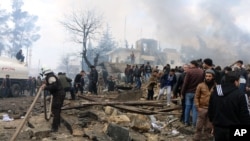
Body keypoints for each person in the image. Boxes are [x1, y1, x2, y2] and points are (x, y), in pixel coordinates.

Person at [208, 71, 250, 141]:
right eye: (239, 81)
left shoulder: (216, 91)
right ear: (236, 81)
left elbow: (211, 110)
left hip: (218, 127)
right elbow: (244, 114)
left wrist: (213, 123)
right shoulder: (240, 94)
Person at [40, 67, 66, 132]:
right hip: (59, 94)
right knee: (57, 110)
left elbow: (54, 86)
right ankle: (57, 124)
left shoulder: (51, 77)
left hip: (58, 94)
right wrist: (46, 85)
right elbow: (53, 84)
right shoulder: (51, 76)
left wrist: (46, 87)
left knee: (55, 110)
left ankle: (55, 128)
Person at [193, 69, 216, 141]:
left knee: (209, 125)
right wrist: (197, 106)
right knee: (199, 124)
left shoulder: (216, 86)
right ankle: (197, 137)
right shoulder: (200, 85)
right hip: (202, 108)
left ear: (213, 77)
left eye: (209, 76)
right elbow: (196, 97)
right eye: (206, 76)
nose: (208, 78)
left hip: (211, 109)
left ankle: (206, 138)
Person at [181, 60, 204, 127]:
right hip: (197, 93)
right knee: (195, 108)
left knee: (187, 107)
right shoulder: (201, 72)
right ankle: (194, 124)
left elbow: (185, 83)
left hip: (188, 92)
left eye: (190, 64)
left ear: (193, 64)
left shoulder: (189, 72)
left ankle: (186, 122)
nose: (189, 65)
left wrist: (182, 92)